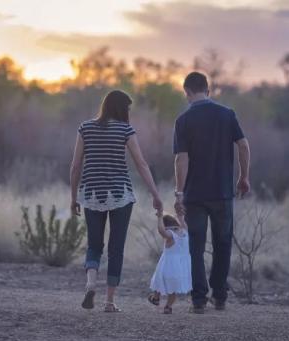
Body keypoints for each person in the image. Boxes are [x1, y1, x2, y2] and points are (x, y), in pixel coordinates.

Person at [69, 90, 163, 312]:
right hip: (120, 194)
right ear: (121, 108)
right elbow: (141, 164)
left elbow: (75, 166)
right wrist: (155, 194)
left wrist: (74, 198)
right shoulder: (125, 130)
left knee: (94, 244)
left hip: (91, 193)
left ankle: (91, 283)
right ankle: (109, 302)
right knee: (116, 248)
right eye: (128, 108)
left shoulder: (85, 128)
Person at [173, 72, 251, 314]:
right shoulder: (227, 115)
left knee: (195, 246)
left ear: (187, 92)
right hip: (222, 192)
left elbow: (181, 159)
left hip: (195, 194)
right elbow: (243, 145)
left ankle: (198, 299)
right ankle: (220, 296)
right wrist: (243, 176)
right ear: (208, 90)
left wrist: (179, 192)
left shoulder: (184, 120)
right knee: (223, 243)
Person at [148, 211, 192, 314]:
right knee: (173, 289)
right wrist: (180, 215)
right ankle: (168, 306)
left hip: (168, 266)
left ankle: (156, 297)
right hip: (181, 268)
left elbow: (161, 231)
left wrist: (159, 218)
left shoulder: (170, 235)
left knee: (158, 280)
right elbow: (182, 221)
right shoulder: (185, 232)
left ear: (166, 226)